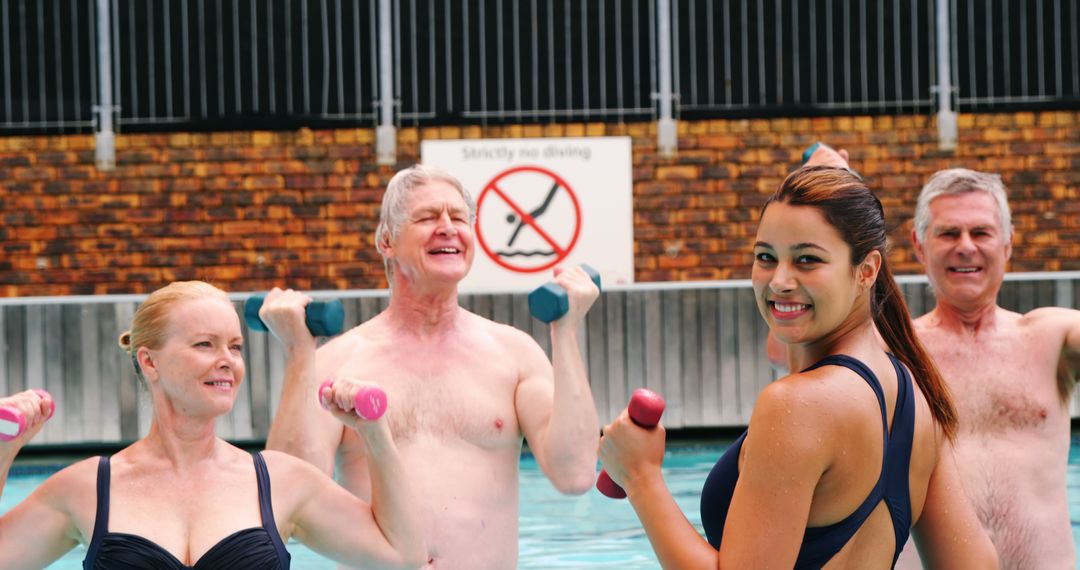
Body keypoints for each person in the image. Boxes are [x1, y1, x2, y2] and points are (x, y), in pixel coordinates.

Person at [599, 166, 998, 568]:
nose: (779, 281)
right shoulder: (914, 393)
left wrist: (640, 477)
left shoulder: (796, 405)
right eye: (765, 257)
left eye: (807, 259)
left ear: (867, 270)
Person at [262, 164, 601, 569]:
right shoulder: (339, 361)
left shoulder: (514, 354)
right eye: (427, 217)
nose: (447, 227)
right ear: (387, 241)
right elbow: (287, 495)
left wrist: (565, 334)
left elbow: (575, 474)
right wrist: (300, 354)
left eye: (458, 217)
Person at [0, 281, 426, 569]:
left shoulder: (280, 480)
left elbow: (403, 556)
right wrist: (4, 449)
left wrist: (375, 435)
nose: (228, 360)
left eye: (235, 346)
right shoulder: (88, 487)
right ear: (149, 361)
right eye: (205, 344)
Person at [905, 168, 1079, 569]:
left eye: (980, 233)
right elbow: (789, 345)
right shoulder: (895, 350)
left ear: (1007, 243)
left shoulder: (1051, 339)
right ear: (919, 245)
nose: (965, 247)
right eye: (949, 234)